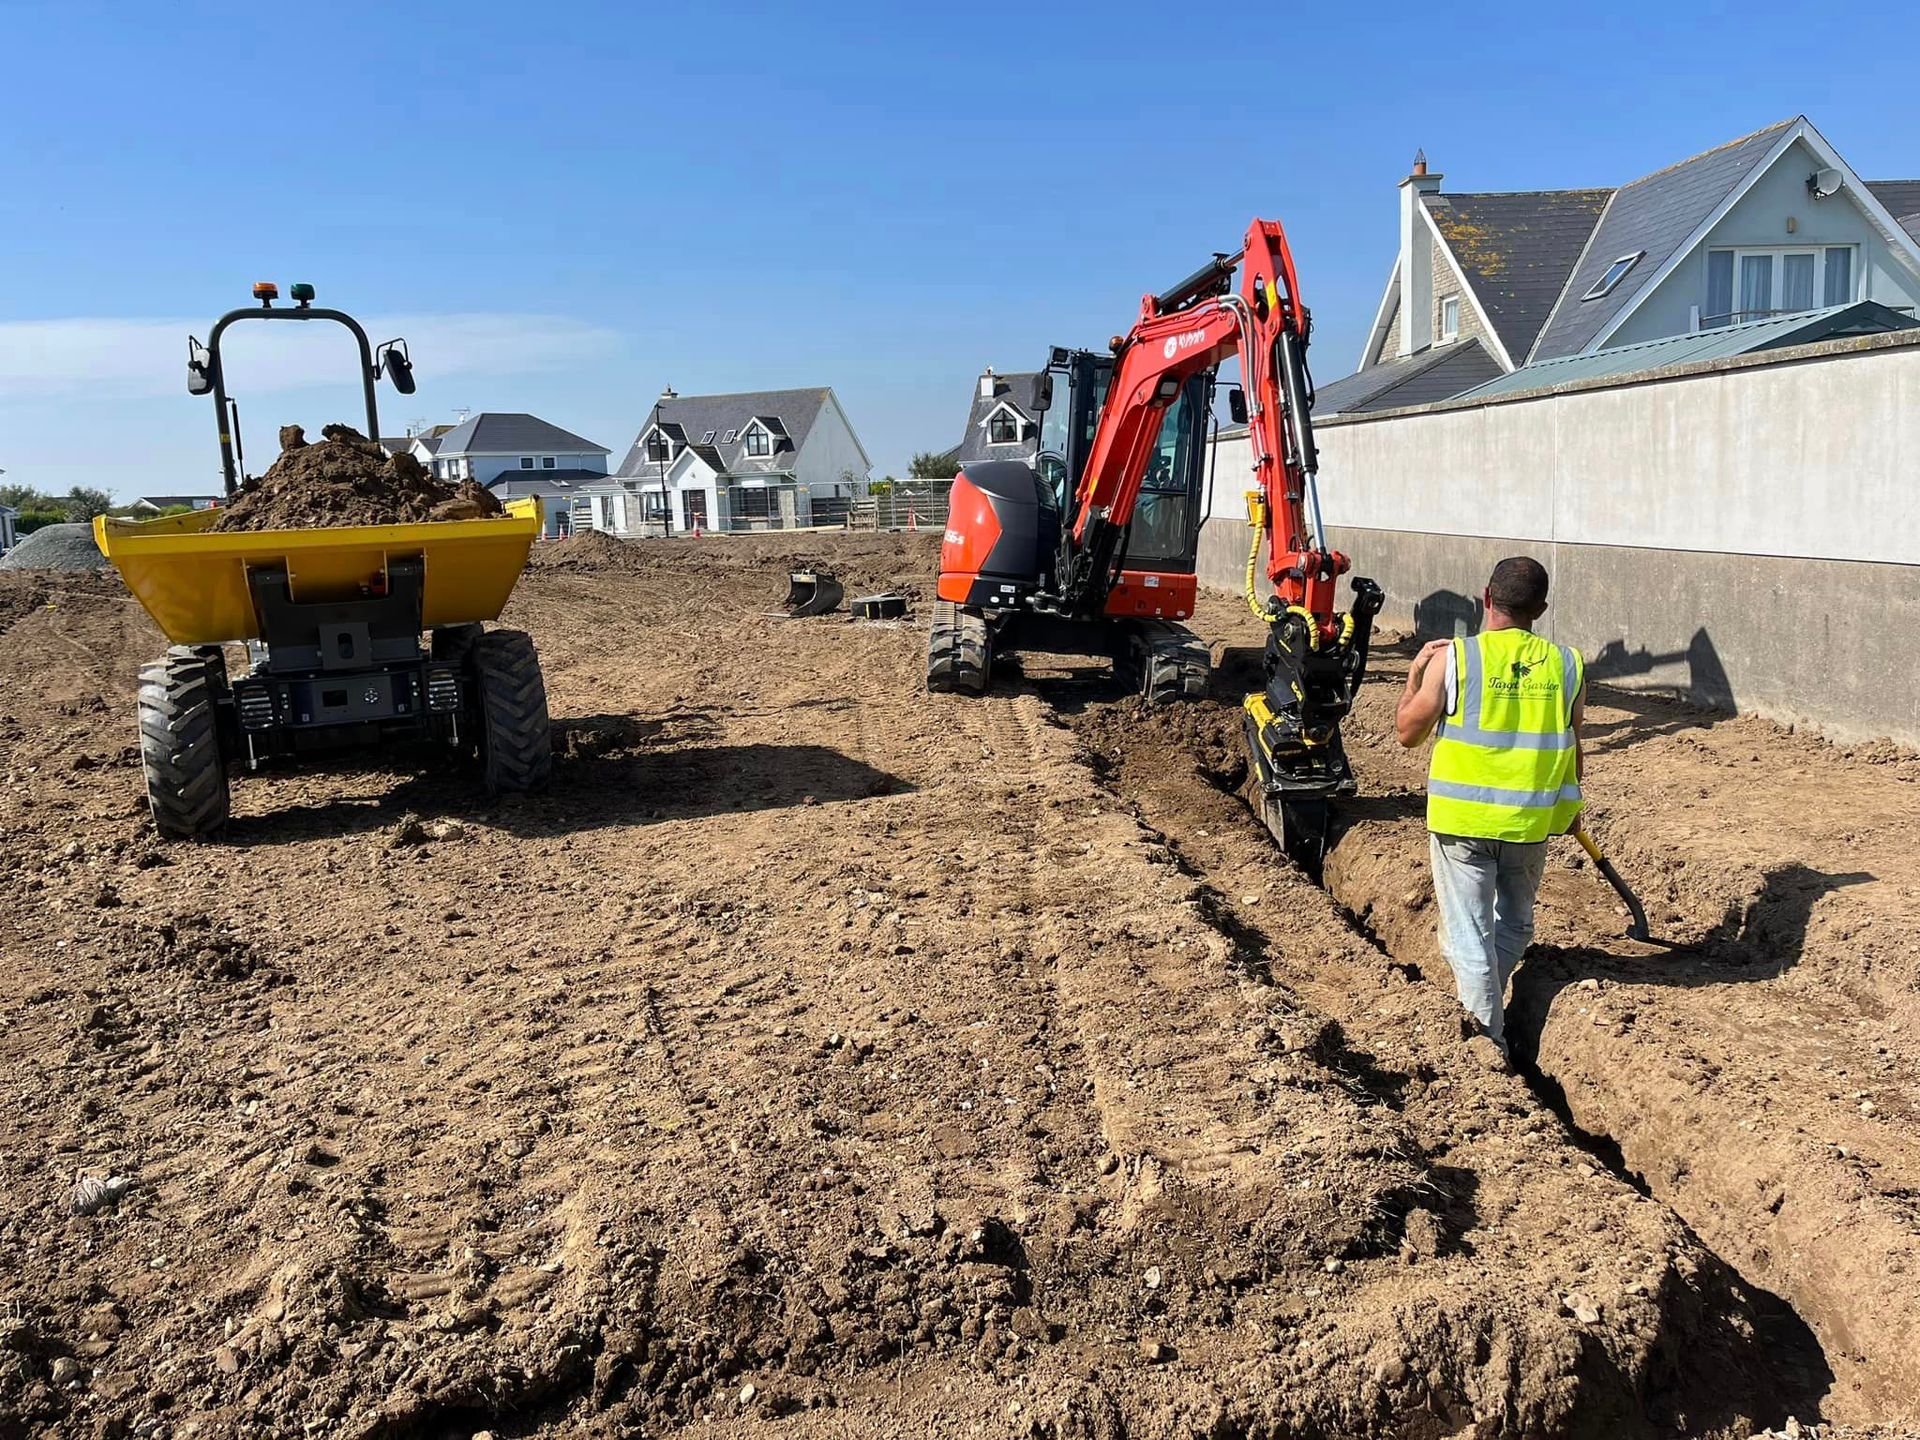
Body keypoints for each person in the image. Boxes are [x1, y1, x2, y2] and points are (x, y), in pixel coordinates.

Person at [1393, 557, 1584, 1059]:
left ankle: (1487, 1044)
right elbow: (1573, 745)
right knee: (1515, 926)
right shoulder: (1567, 664)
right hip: (1529, 822)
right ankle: (1489, 1017)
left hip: (1463, 823)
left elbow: (1408, 733)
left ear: (1486, 598)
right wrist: (1570, 805)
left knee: (1469, 938)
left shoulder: (1454, 658)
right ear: (1540, 609)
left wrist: (1415, 675)